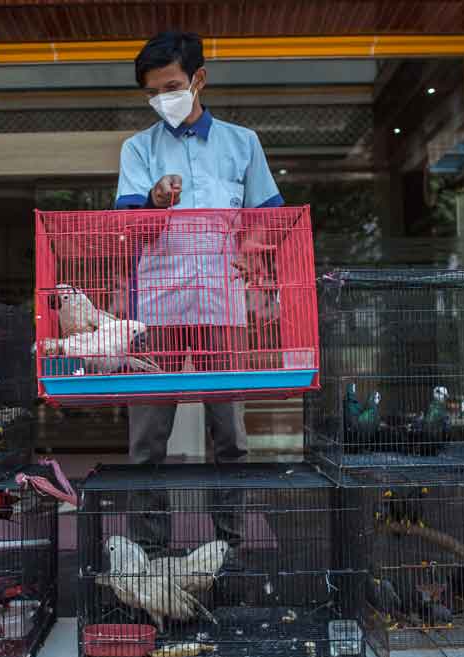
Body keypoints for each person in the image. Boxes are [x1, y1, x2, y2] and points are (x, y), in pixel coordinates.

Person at [114, 31, 284, 558]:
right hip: (159, 305)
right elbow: (123, 229)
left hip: (221, 303)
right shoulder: (138, 148)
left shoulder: (242, 143)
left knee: (229, 434)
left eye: (172, 86)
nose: (164, 99)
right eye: (154, 92)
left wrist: (252, 248)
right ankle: (149, 547)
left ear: (199, 80)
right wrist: (154, 202)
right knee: (147, 438)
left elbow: (269, 216)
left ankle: (230, 544)